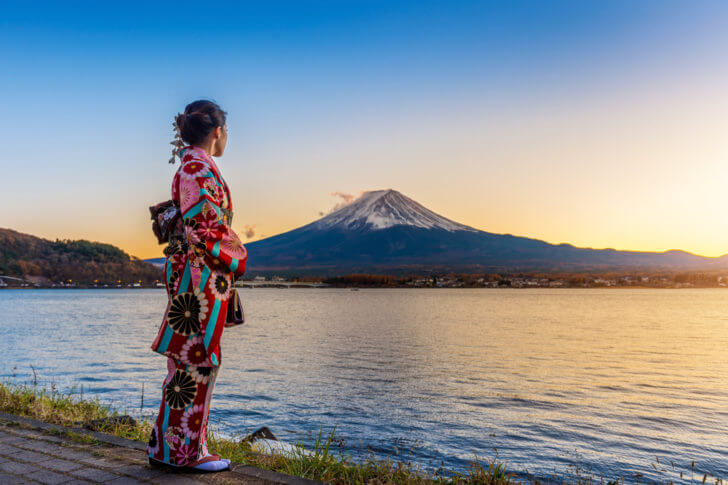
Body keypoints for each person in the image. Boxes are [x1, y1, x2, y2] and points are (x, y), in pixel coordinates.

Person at [147, 100, 247, 472]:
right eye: (226, 132)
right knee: (197, 358)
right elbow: (206, 226)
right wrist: (237, 253)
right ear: (218, 132)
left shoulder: (190, 165)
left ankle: (168, 448)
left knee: (187, 360)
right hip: (199, 275)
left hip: (190, 271)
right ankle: (187, 453)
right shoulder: (198, 167)